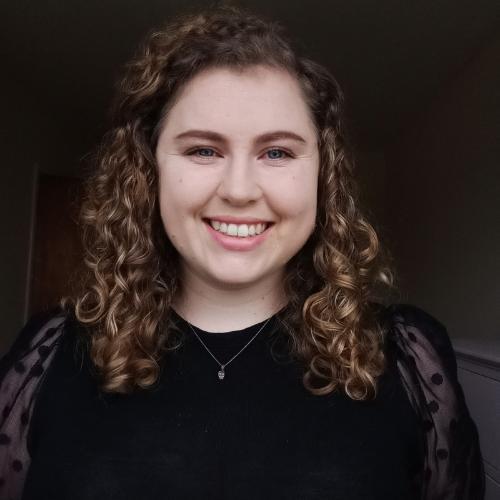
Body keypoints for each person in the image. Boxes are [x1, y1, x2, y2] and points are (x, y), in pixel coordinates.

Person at [0, 4, 484, 500]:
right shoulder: (48, 353)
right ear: (149, 170)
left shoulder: (407, 359)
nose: (238, 190)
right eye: (203, 150)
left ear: (322, 174)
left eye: (277, 152)